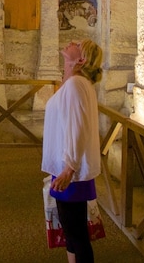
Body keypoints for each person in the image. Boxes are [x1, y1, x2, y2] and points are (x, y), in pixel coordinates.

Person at [42, 39, 103, 263]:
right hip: (67, 166)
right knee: (71, 232)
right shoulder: (75, 82)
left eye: (77, 43)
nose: (71, 41)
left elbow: (77, 128)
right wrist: (69, 68)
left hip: (71, 170)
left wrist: (69, 168)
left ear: (82, 59)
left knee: (77, 234)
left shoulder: (77, 84)